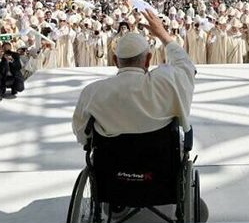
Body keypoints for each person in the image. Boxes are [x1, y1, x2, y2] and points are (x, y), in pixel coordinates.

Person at [72, 9, 196, 143]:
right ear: (148, 60)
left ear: (115, 61)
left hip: (110, 163)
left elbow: (82, 135)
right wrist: (162, 34)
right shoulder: (168, 82)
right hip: (163, 162)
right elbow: (186, 66)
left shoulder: (92, 93)